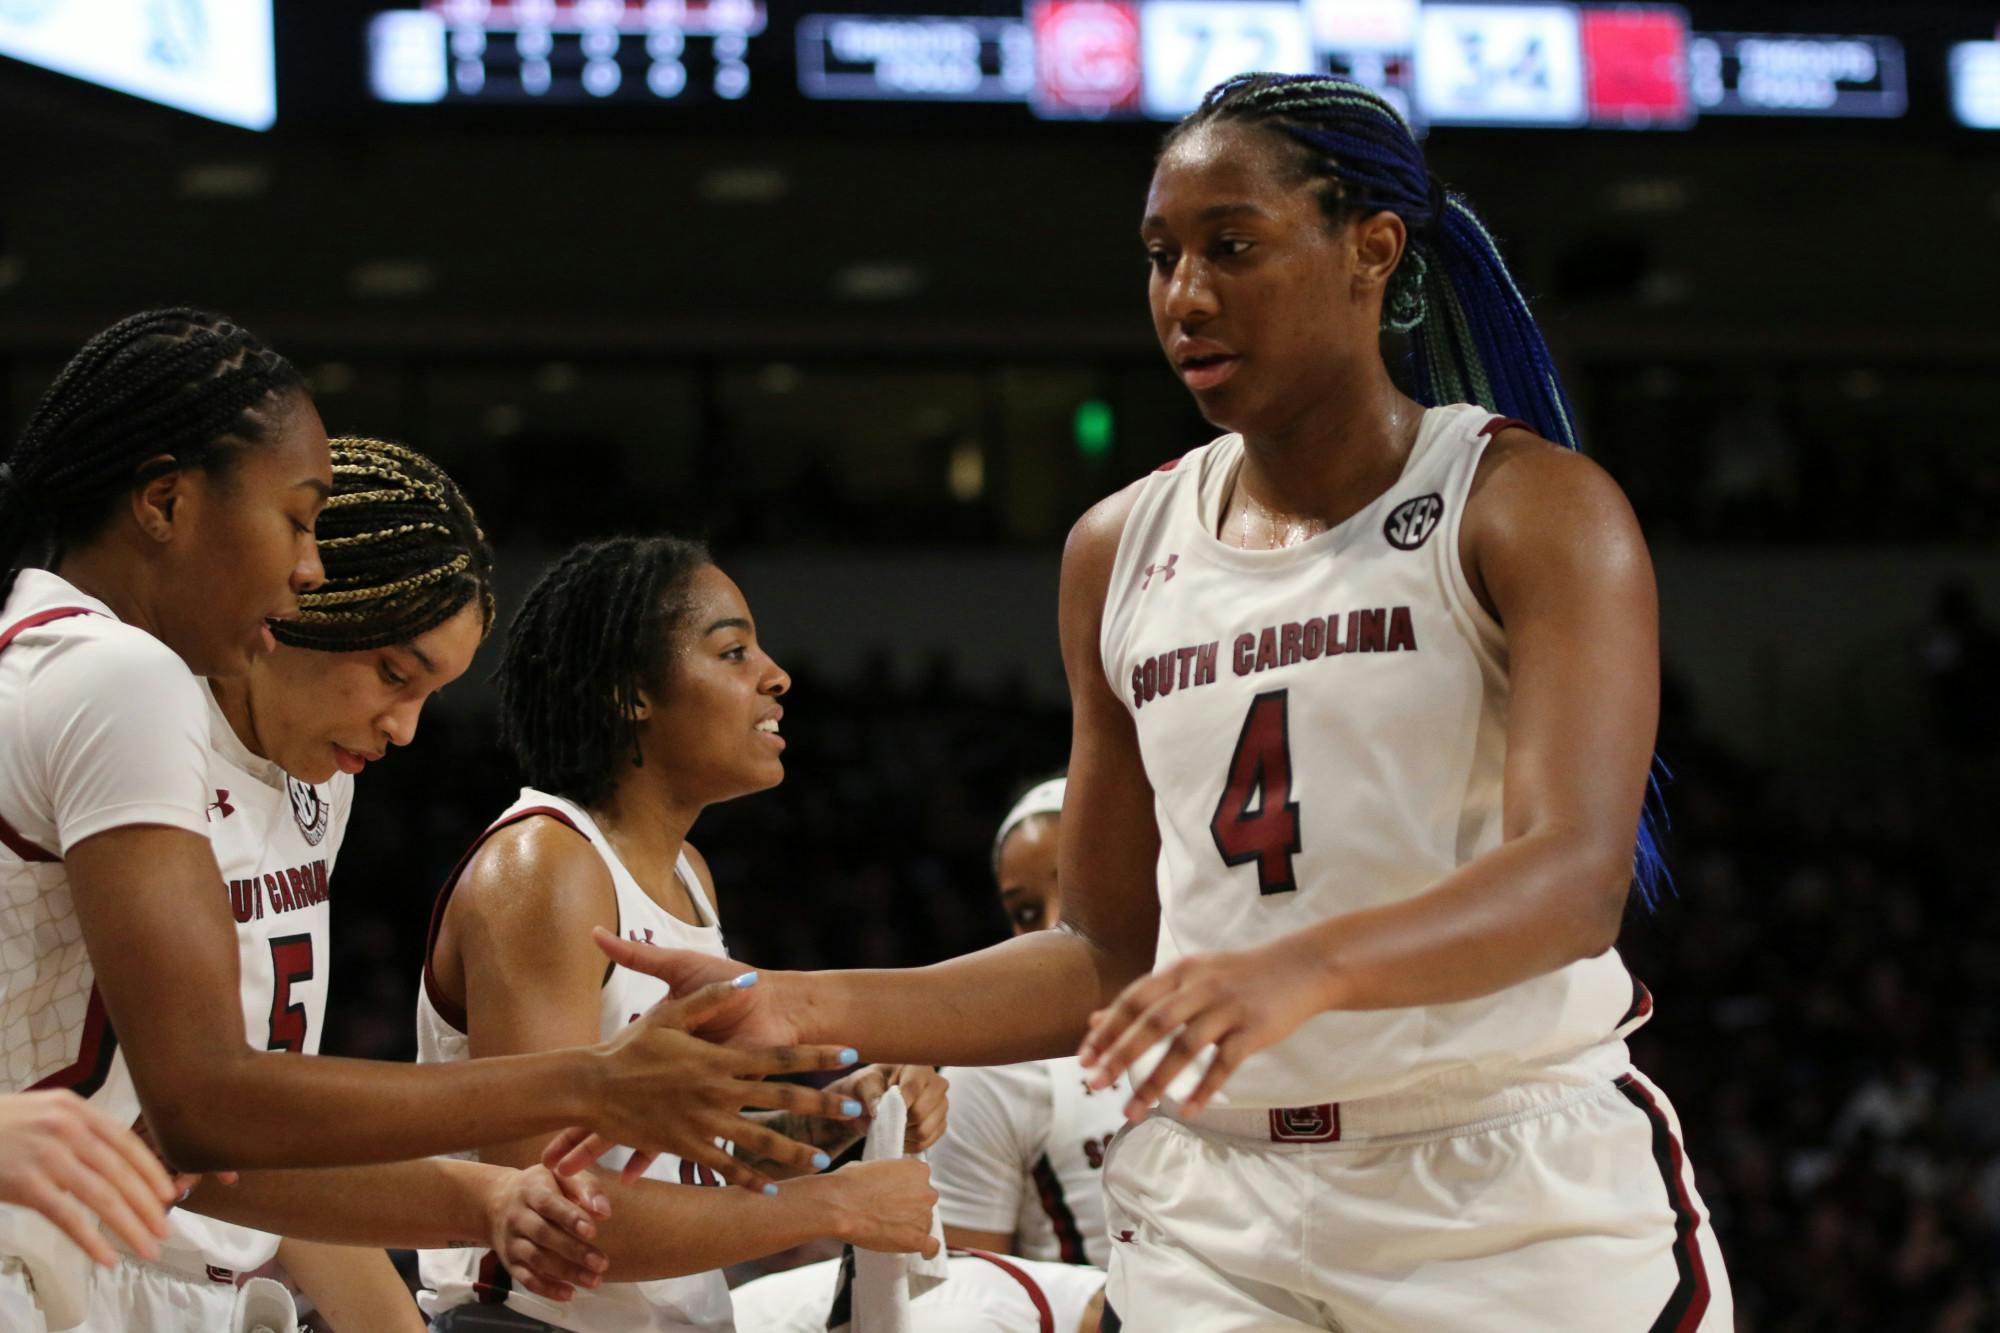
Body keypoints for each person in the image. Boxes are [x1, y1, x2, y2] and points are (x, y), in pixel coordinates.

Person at [587, 73, 1732, 1331]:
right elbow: (1102, 954)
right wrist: (804, 1000)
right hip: (1214, 1203)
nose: (1183, 297)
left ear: (1372, 250)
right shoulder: (1116, 549)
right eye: (1159, 256)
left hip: (1500, 1187)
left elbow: (1570, 881)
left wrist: (1295, 969)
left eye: (1229, 248)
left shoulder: (1527, 505)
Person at [0, 311, 848, 1313]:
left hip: (166, 1277)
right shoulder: (117, 676)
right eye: (297, 517)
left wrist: (483, 1197)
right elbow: (210, 1106)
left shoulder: (263, 758)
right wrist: (586, 1082)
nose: (305, 568)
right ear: (166, 499)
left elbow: (247, 1159)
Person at [418, 536, 943, 1332]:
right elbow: (548, 1205)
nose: (776, 674)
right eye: (733, 651)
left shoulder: (687, 870)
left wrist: (829, 1122)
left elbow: (680, 1165)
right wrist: (830, 1203)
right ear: (633, 692)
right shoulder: (545, 865)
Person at [76, 436, 494, 1331]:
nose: (406, 727)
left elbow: (272, 1151)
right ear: (302, 603)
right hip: (72, 1269)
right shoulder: (131, 728)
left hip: (222, 1280)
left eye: (431, 695)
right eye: (393, 674)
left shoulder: (322, 780)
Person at [931, 778, 1125, 1268]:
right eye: (1025, 911)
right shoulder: (988, 1070)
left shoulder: (1240, 1014)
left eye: (1082, 885)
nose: (1054, 927)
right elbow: (968, 1302)